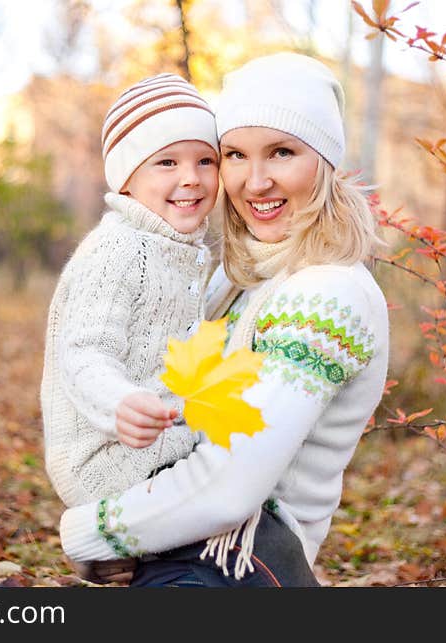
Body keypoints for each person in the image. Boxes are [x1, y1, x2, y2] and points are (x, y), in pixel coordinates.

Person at [57, 52, 391, 587]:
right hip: (183, 545)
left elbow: (230, 485)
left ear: (324, 162)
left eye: (281, 152)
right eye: (234, 154)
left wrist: (89, 531)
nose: (254, 182)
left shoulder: (329, 295)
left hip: (242, 559)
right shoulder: (237, 279)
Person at [40, 73, 219, 513]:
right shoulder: (118, 249)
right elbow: (83, 353)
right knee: (228, 499)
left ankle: (122, 553)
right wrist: (121, 403)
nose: (191, 178)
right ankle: (103, 539)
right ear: (126, 179)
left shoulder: (181, 244)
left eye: (205, 161)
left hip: (159, 443)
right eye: (167, 163)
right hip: (107, 457)